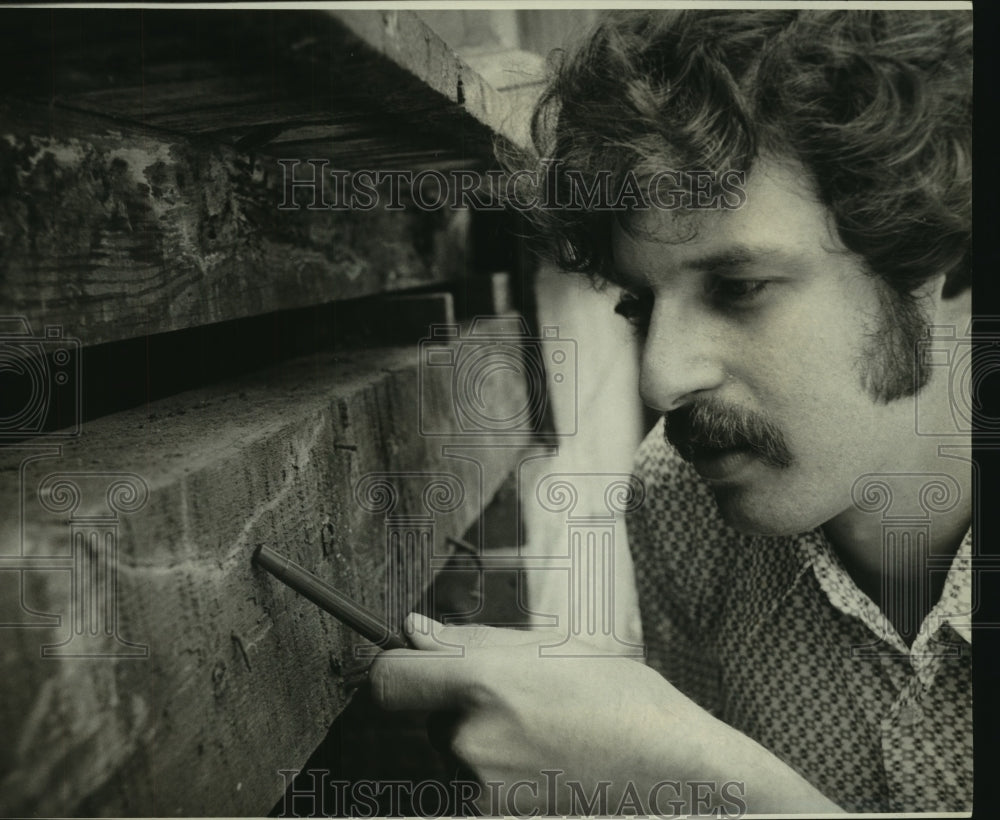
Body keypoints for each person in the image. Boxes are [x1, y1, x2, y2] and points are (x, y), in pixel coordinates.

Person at [371, 9, 973, 815]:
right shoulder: (676, 499)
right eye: (640, 303)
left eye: (739, 287)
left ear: (947, 269)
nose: (660, 379)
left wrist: (705, 784)